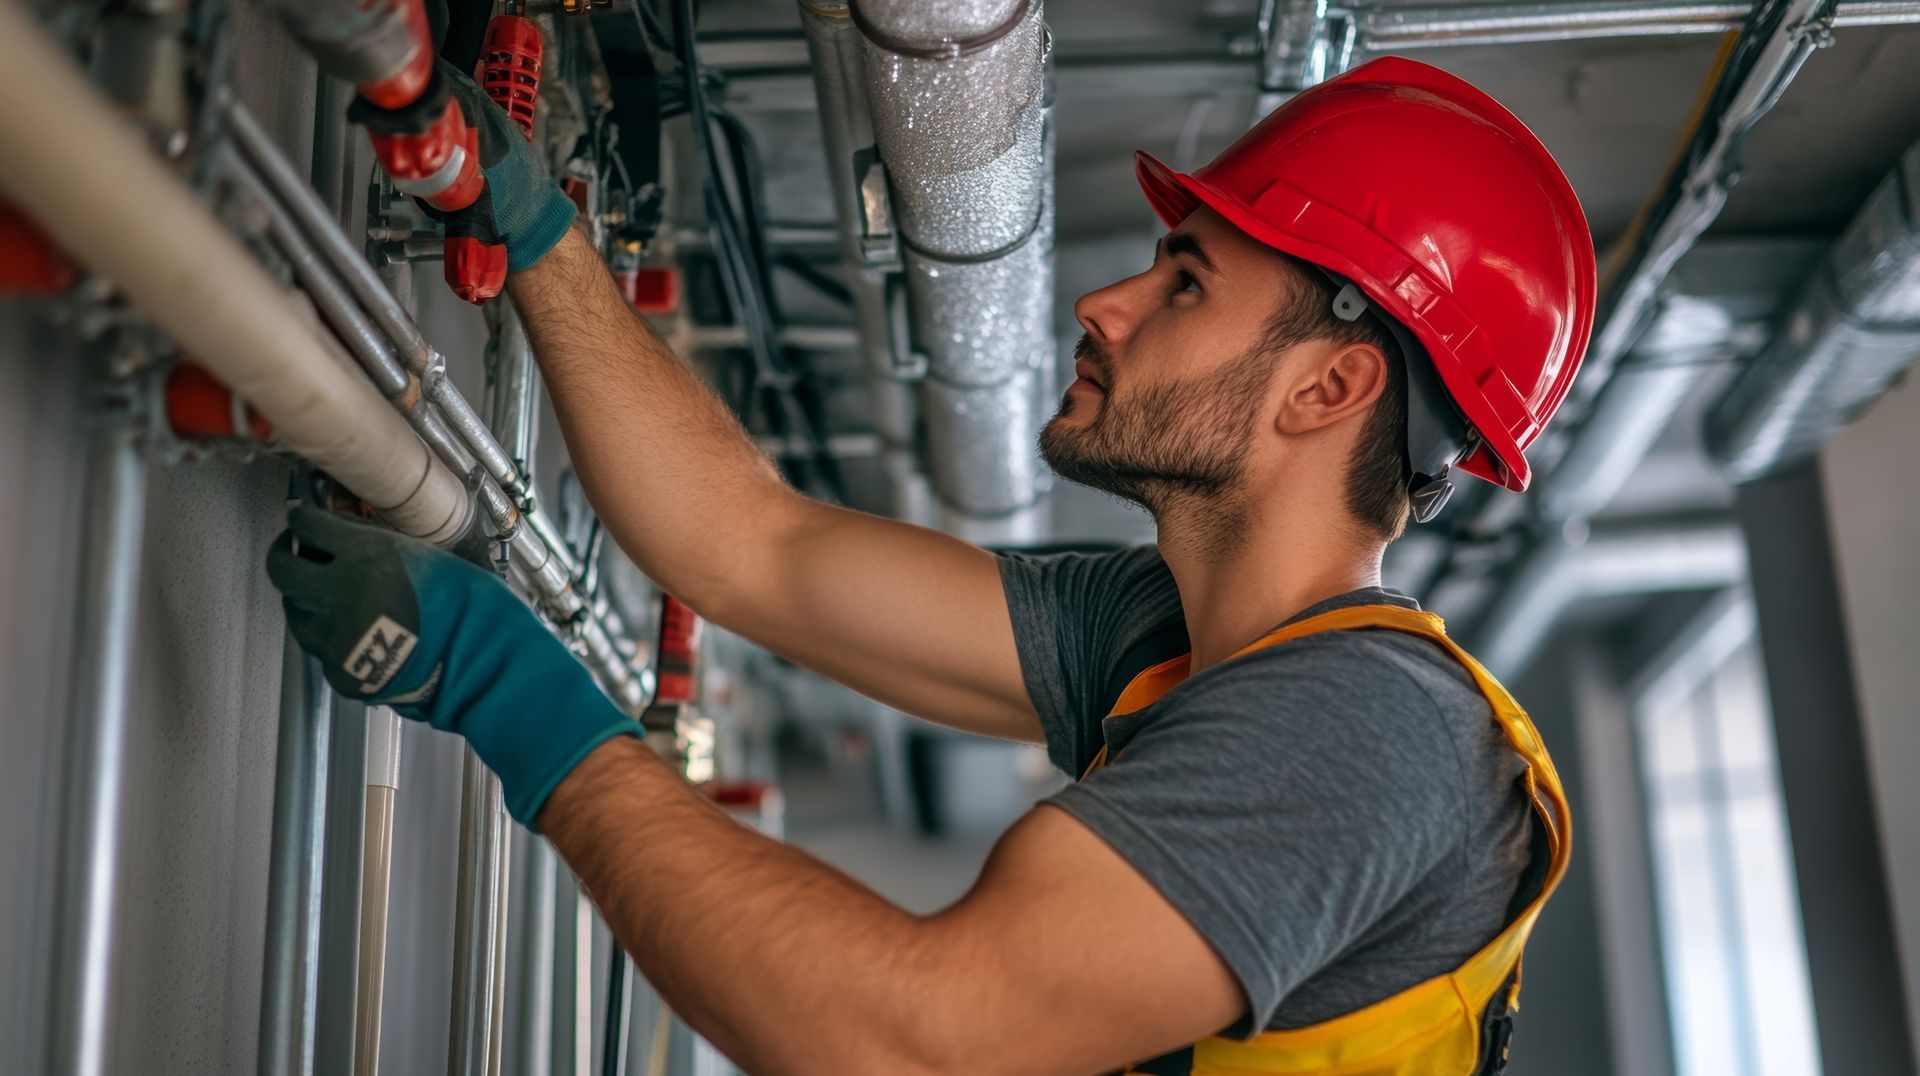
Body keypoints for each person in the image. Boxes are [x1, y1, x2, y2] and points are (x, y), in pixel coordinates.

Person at [269, 55, 1593, 1075]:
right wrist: (547, 243)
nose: (1105, 303)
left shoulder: (1365, 733)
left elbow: (914, 1040)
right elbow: (758, 551)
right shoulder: (1166, 638)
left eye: (1185, 284)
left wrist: (513, 688)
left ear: (1332, 388)